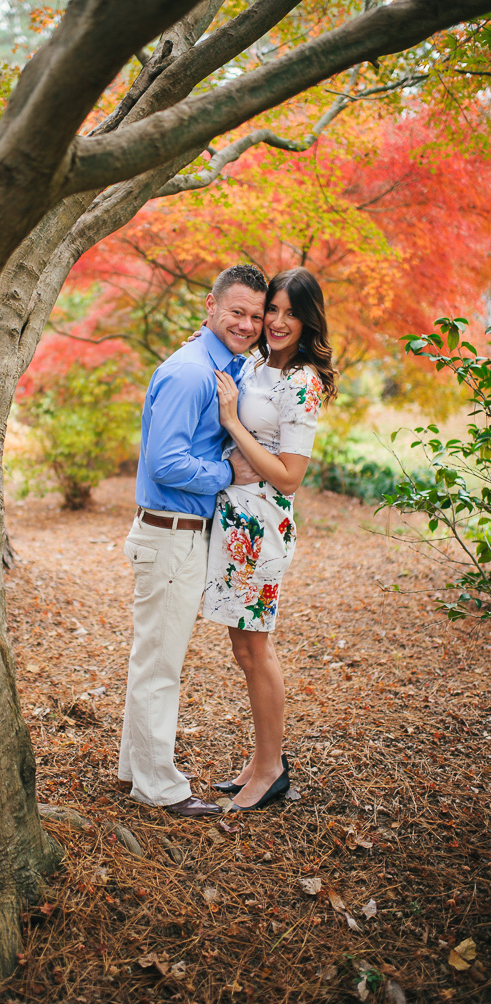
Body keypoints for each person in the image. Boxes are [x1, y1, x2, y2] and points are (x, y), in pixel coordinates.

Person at [119, 265, 268, 817]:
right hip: (170, 535)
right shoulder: (190, 373)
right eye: (237, 312)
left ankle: (136, 769)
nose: (248, 324)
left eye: (256, 315)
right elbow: (165, 463)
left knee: (152, 659)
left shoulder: (220, 365)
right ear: (211, 306)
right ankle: (159, 787)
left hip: (179, 536)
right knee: (160, 665)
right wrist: (228, 472)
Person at [203, 267, 337, 812]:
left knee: (255, 647)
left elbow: (289, 476)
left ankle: (271, 770)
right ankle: (260, 761)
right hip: (235, 520)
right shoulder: (258, 363)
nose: (277, 322)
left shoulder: (301, 382)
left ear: (307, 320)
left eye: (289, 313)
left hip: (263, 523)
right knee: (243, 646)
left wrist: (234, 424)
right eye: (270, 311)